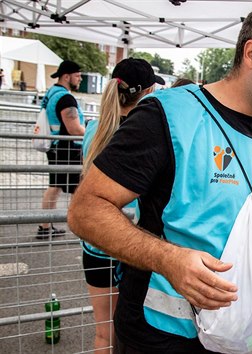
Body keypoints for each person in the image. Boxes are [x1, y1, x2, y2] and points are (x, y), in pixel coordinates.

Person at [68, 1, 252, 352]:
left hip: (242, 333)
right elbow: (86, 210)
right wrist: (168, 259)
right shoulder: (167, 116)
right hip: (160, 335)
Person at [81, 58, 163, 354]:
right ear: (149, 91)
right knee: (125, 332)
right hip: (128, 244)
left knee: (104, 333)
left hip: (93, 245)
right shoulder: (140, 134)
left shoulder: (93, 128)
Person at [37, 60, 84, 239]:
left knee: (55, 186)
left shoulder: (52, 93)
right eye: (77, 75)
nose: (80, 79)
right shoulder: (65, 98)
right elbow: (74, 129)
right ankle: (79, 227)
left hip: (56, 146)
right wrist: (92, 134)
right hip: (67, 148)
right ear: (67, 76)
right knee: (78, 189)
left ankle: (45, 226)